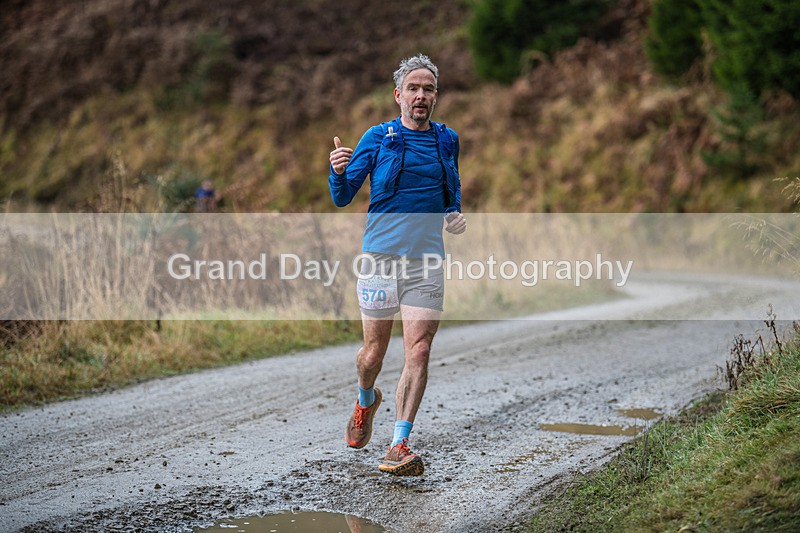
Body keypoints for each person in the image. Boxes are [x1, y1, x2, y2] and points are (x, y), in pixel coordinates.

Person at [328, 54, 467, 476]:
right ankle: (366, 399)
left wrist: (453, 214)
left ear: (436, 96)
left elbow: (451, 189)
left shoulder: (447, 139)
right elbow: (342, 196)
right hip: (380, 258)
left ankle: (398, 443)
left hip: (426, 261)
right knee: (373, 353)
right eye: (413, 88)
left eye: (428, 89)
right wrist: (337, 172)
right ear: (398, 95)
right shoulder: (377, 137)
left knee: (419, 349)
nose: (420, 96)